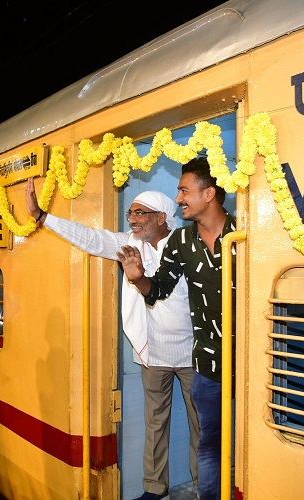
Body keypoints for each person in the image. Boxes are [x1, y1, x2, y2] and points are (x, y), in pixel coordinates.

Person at [25, 177, 200, 500]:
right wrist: (43, 217)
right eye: (130, 213)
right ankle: (154, 488)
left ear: (161, 217)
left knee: (200, 428)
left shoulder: (187, 243)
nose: (132, 219)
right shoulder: (128, 244)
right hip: (152, 353)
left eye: (140, 213)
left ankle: (204, 487)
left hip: (193, 353)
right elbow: (90, 238)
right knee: (156, 424)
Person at [118, 157, 237, 500]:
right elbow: (159, 290)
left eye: (184, 190)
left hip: (247, 356)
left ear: (209, 194)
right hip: (206, 363)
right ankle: (209, 494)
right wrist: (139, 278)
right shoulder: (182, 241)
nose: (179, 198)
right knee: (210, 439)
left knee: (246, 433)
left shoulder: (243, 234)